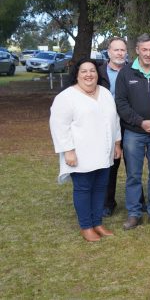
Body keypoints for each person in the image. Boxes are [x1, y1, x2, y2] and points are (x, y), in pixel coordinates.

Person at [49, 58, 120, 242]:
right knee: (83, 188)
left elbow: (114, 119)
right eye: (84, 71)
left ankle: (98, 223)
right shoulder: (66, 97)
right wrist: (68, 150)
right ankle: (86, 226)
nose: (89, 74)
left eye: (92, 71)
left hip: (104, 151)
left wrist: (117, 143)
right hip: (81, 154)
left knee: (100, 188)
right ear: (77, 74)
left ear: (98, 73)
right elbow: (59, 126)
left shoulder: (104, 93)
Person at [114, 33, 150, 230]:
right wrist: (141, 122)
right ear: (137, 51)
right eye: (145, 50)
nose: (148, 54)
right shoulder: (126, 73)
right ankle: (134, 213)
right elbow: (121, 104)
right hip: (134, 132)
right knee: (133, 175)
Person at [99, 37, 145, 217]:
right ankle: (107, 202)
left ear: (127, 52)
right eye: (115, 50)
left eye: (122, 50)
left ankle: (139, 201)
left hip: (130, 122)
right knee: (110, 164)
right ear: (108, 51)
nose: (119, 53)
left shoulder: (134, 70)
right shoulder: (100, 71)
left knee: (133, 165)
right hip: (108, 124)